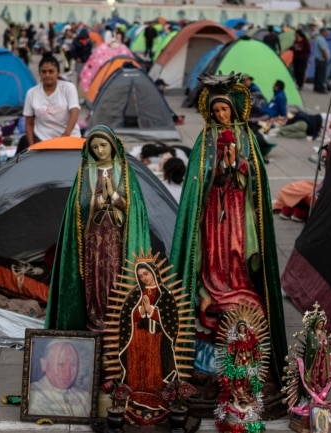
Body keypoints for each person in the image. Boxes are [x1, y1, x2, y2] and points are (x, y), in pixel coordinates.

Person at [169, 72, 287, 411]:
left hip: (239, 212)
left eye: (225, 110)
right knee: (214, 256)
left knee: (237, 255)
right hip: (213, 213)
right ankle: (214, 289)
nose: (222, 115)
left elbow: (256, 180)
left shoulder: (246, 136)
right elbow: (198, 183)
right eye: (217, 110)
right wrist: (217, 170)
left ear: (234, 110)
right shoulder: (205, 140)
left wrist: (240, 166)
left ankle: (237, 288)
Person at [45, 125, 151, 332]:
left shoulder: (125, 172)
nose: (100, 151)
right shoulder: (85, 173)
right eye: (95, 147)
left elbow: (134, 207)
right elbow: (79, 206)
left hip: (118, 238)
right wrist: (98, 200)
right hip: (93, 237)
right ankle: (95, 318)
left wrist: (113, 196)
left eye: (104, 145)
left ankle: (117, 319)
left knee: (115, 276)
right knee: (94, 277)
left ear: (112, 145)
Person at [118, 260, 179, 424]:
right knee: (137, 368)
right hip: (137, 339)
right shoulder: (135, 294)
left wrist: (152, 311)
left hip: (155, 340)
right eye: (140, 276)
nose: (144, 278)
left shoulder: (165, 294)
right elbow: (126, 317)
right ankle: (134, 400)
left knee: (153, 369)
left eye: (146, 273)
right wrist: (140, 310)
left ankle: (157, 400)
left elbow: (171, 320)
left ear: (153, 273)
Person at [18, 54, 81, 153]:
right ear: (39, 73)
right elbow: (29, 124)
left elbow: (74, 112)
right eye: (44, 72)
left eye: (51, 71)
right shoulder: (32, 93)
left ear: (58, 73)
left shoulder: (68, 88)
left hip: (69, 139)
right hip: (44, 142)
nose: (47, 75)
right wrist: (32, 147)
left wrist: (66, 135)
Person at [28, 341, 91, 417]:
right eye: (61, 364)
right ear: (44, 364)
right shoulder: (33, 395)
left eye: (73, 365)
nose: (68, 373)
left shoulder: (84, 397)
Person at [313, 27, 330, 94]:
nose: (327, 33)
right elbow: (323, 49)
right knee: (321, 74)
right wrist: (326, 57)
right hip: (321, 59)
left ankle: (316, 87)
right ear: (322, 32)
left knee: (318, 73)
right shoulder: (321, 39)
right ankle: (320, 88)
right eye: (326, 32)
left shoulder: (318, 38)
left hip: (318, 59)